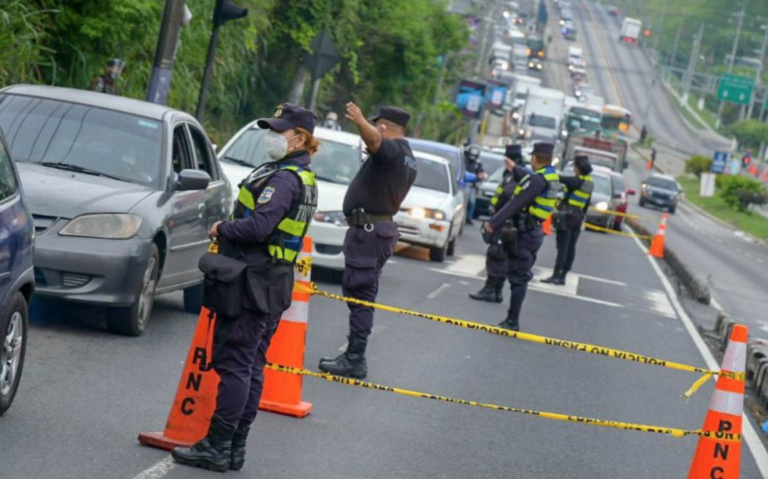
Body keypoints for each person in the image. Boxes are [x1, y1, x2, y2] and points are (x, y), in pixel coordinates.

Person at [171, 103, 319, 472]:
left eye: (279, 132)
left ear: (300, 138)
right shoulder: (297, 175)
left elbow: (257, 227)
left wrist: (221, 229)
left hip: (254, 279)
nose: (271, 137)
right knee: (251, 365)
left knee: (237, 363)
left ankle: (219, 447)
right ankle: (234, 448)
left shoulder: (285, 178)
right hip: (270, 279)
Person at [318, 104, 417, 379]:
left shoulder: (394, 151)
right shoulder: (404, 156)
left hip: (370, 231)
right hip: (375, 230)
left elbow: (374, 140)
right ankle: (353, 355)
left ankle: (355, 359)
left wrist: (361, 122)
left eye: (376, 125)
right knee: (361, 291)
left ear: (383, 127)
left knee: (360, 294)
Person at [483, 142, 562, 332]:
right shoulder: (550, 176)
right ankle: (511, 319)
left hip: (526, 232)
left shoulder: (538, 180)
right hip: (533, 231)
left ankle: (512, 320)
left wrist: (493, 223)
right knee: (518, 274)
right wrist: (514, 168)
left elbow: (516, 203)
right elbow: (530, 177)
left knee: (519, 277)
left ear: (534, 158)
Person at [469, 144, 523, 303]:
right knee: (501, 256)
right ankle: (496, 292)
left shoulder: (517, 174)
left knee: (496, 254)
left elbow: (508, 195)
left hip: (505, 222)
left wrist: (497, 215)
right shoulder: (511, 173)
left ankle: (490, 290)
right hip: (502, 219)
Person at [541, 155, 593, 285]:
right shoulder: (589, 182)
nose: (574, 169)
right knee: (571, 246)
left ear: (579, 168)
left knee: (562, 246)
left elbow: (561, 179)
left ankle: (556, 274)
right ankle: (563, 275)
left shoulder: (576, 181)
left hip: (568, 215)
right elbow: (587, 203)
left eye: (575, 166)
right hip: (578, 216)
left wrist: (549, 170)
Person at [464, 145, 487, 225]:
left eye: (474, 155)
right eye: (471, 155)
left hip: (472, 185)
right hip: (462, 184)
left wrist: (479, 177)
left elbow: (482, 174)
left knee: (472, 202)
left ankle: (468, 217)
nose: (472, 157)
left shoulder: (478, 164)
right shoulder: (463, 161)